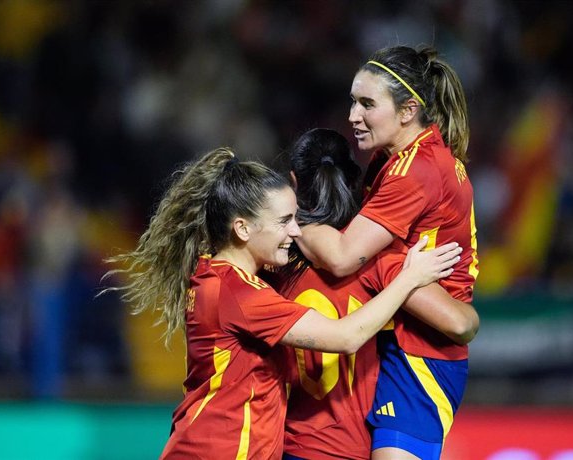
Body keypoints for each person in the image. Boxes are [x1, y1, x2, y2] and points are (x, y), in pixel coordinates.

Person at [103, 147, 462, 459]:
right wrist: (409, 279)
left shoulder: (216, 275)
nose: (296, 231)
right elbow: (345, 337)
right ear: (243, 229)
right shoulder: (241, 294)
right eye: (284, 221)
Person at [294, 46, 479, 460]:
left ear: (408, 109)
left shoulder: (415, 171)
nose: (352, 116)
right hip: (393, 340)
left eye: (367, 104)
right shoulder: (393, 159)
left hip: (423, 356)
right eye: (352, 101)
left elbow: (343, 256)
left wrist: (289, 220)